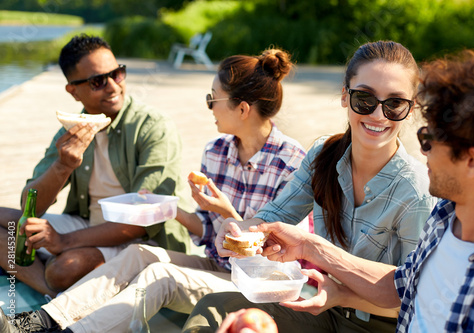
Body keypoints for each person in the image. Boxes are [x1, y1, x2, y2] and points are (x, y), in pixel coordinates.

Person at [184, 45, 474, 332]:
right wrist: (238, 229)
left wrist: (339, 291)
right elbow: (276, 213)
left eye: (394, 104)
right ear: (345, 97)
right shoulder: (326, 155)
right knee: (217, 309)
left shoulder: (420, 192)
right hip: (325, 308)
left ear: (409, 107)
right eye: (364, 99)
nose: (378, 115)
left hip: (372, 324)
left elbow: (403, 298)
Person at [1, 48, 307, 333]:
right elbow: (207, 231)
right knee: (139, 254)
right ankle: (38, 322)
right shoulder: (216, 151)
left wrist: (227, 213)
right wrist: (170, 208)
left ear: (241, 109)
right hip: (218, 265)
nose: (209, 106)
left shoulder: (291, 161)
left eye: (213, 98)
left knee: (158, 276)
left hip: (257, 282)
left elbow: (276, 252)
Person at [0, 34, 191, 297]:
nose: (113, 86)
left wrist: (63, 242)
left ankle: (54, 285)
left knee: (64, 269)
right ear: (73, 91)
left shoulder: (153, 127)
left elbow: (142, 220)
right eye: (98, 81)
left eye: (118, 73)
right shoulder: (71, 131)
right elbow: (29, 204)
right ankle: (54, 295)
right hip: (88, 224)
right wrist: (62, 166)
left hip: (141, 238)